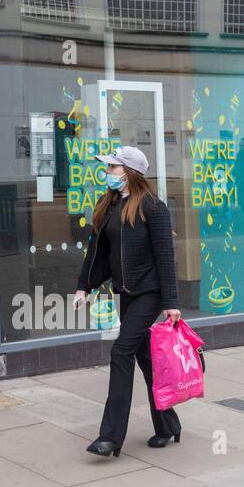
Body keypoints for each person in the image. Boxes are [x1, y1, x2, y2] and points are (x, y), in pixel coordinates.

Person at [72, 145, 183, 457]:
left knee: (121, 351)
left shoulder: (153, 207)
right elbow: (97, 253)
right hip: (127, 293)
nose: (108, 173)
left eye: (113, 168)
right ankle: (168, 426)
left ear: (130, 172)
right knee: (146, 360)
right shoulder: (109, 205)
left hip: (149, 295)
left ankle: (110, 438)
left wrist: (171, 302)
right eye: (108, 168)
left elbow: (165, 257)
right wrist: (84, 287)